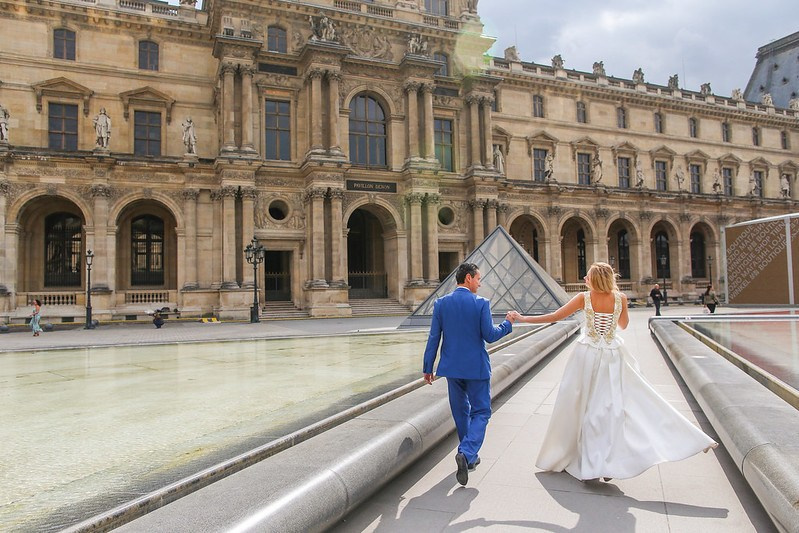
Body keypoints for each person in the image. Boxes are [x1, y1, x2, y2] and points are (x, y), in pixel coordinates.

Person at [510, 262, 717, 482]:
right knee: (610, 408)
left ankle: (587, 459)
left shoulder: (584, 298)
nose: (584, 278)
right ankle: (608, 461)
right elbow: (624, 325)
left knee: (580, 406)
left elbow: (555, 316)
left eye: (588, 275)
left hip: (586, 355)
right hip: (612, 355)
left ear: (594, 279)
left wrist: (524, 318)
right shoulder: (621, 299)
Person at [423, 262, 516, 486]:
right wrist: (507, 323)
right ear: (468, 279)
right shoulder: (481, 303)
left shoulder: (441, 304)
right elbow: (490, 335)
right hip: (476, 368)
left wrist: (428, 367)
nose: (480, 283)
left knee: (460, 411)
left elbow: (434, 337)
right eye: (478, 279)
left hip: (452, 369)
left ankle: (470, 457)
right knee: (482, 412)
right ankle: (466, 452)